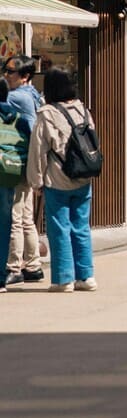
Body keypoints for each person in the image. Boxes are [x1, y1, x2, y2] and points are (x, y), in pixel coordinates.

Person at [26, 68, 98, 292]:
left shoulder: (47, 114)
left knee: (59, 229)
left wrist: (36, 181)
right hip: (83, 178)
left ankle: (64, 279)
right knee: (81, 227)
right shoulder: (82, 110)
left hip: (57, 179)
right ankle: (86, 276)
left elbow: (38, 150)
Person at [3, 54, 44, 287]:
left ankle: (13, 267)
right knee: (26, 217)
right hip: (29, 162)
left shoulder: (17, 96)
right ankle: (33, 266)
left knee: (14, 218)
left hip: (17, 162)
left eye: (10, 72)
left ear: (25, 76)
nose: (6, 75)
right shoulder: (33, 94)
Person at [0, 77, 32, 294]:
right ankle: (1, 278)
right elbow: (28, 144)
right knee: (5, 224)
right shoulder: (18, 117)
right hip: (10, 173)